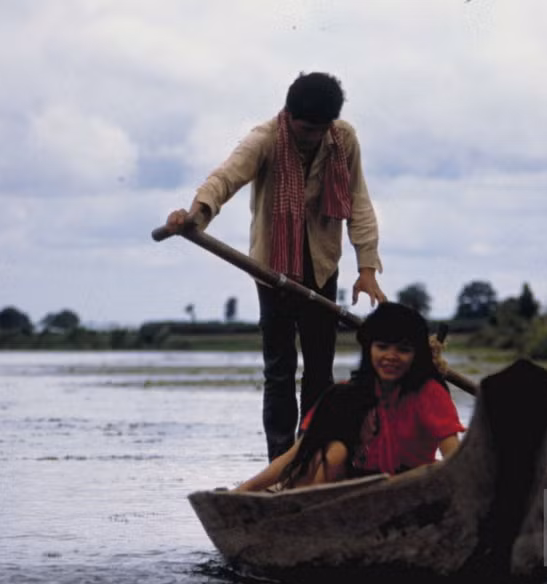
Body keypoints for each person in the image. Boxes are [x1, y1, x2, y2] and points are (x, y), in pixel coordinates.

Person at [164, 72, 387, 461]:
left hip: (321, 265)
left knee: (320, 370)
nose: (311, 138)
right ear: (289, 115)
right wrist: (195, 216)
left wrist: (366, 267)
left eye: (319, 130)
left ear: (330, 124)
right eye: (304, 130)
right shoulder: (265, 139)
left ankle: (314, 456)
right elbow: (225, 178)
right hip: (272, 270)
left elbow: (358, 201)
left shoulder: (343, 140)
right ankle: (281, 461)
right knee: (279, 371)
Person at [236, 303, 462, 492]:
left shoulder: (430, 392)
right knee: (334, 453)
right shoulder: (344, 396)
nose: (391, 357)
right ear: (369, 349)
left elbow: (454, 458)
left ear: (416, 355)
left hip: (405, 489)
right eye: (382, 347)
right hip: (347, 493)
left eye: (403, 350)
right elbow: (295, 456)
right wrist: (243, 491)